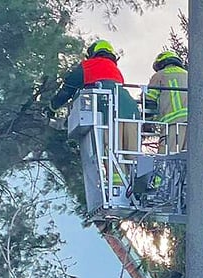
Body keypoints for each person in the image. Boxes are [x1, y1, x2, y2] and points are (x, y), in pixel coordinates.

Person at [49, 40, 141, 186]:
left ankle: (118, 188)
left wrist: (52, 108)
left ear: (92, 53)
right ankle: (142, 184)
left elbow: (68, 89)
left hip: (107, 109)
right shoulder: (114, 69)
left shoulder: (89, 65)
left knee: (111, 149)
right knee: (133, 152)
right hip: (130, 110)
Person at [145, 50, 189, 154]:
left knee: (167, 159)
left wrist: (147, 122)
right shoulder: (188, 75)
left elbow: (150, 101)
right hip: (195, 124)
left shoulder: (160, 75)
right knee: (189, 160)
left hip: (173, 124)